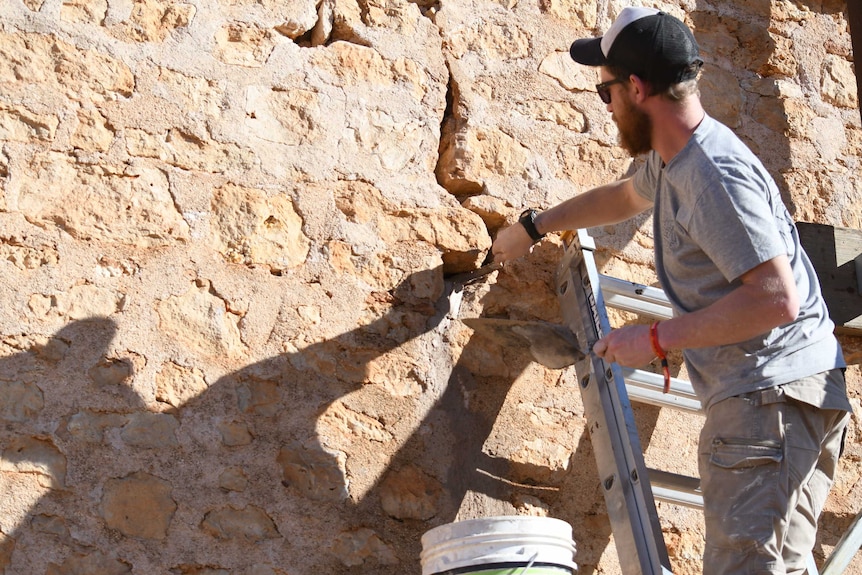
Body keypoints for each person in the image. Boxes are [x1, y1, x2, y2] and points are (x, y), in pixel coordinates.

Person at [491, 7, 852, 575]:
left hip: (769, 401)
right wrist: (534, 225)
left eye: (605, 92)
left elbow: (775, 298)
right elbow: (623, 197)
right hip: (778, 400)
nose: (606, 107)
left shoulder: (712, 174)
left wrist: (654, 338)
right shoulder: (674, 161)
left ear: (635, 88)